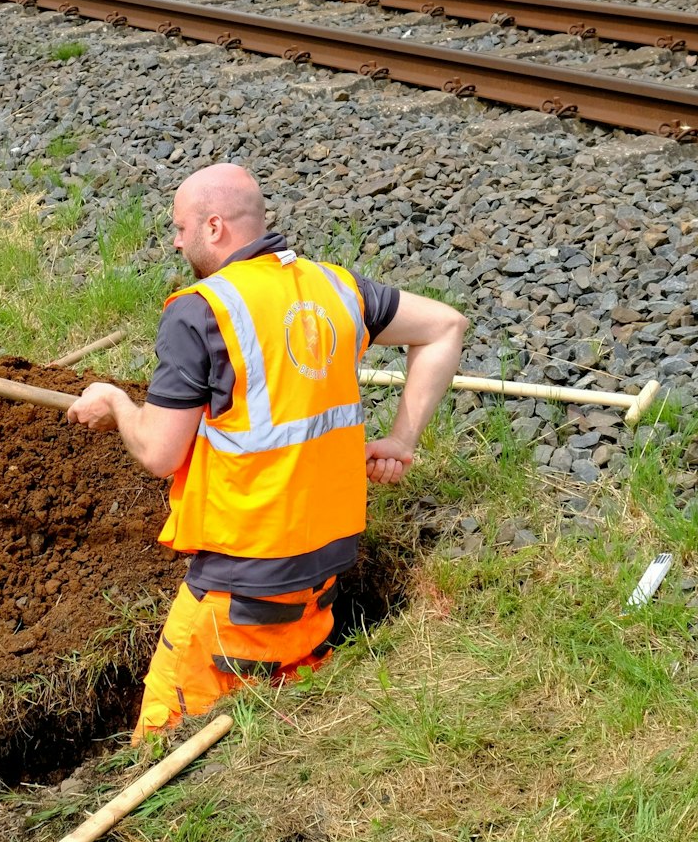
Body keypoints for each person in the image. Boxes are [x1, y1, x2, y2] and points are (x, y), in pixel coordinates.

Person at [66, 163, 468, 742]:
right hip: (324, 571)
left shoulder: (202, 309)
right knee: (272, 715)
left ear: (213, 227)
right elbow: (445, 326)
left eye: (180, 228)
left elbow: (158, 452)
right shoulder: (336, 287)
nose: (175, 241)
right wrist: (401, 440)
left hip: (245, 581)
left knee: (163, 733)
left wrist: (114, 403)